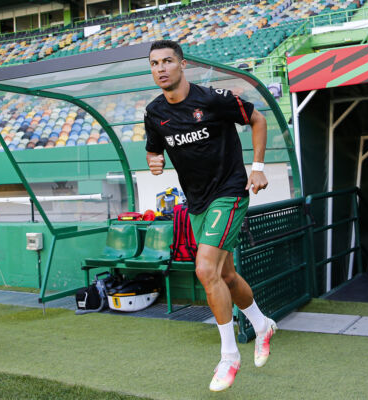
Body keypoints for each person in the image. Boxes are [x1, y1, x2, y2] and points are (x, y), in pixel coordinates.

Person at [145, 40, 276, 392]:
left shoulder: (214, 99)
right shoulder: (154, 112)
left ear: (182, 64)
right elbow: (153, 151)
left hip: (230, 192)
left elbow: (258, 119)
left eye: (168, 61)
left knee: (205, 269)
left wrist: (258, 167)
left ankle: (229, 356)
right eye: (155, 63)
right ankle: (262, 324)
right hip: (197, 203)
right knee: (225, 275)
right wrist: (153, 162)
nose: (161, 68)